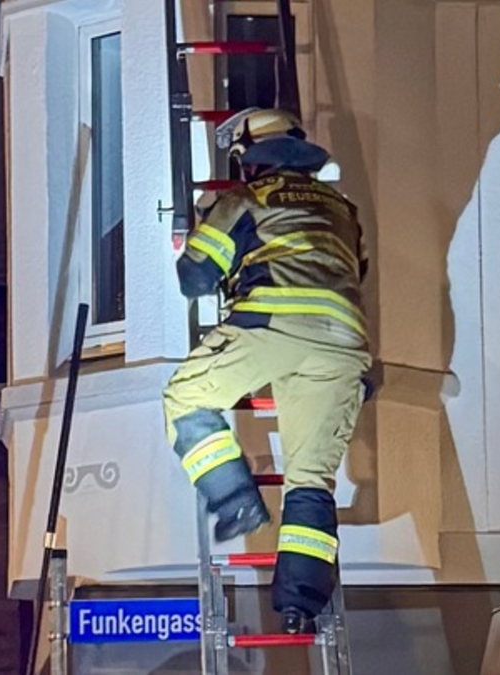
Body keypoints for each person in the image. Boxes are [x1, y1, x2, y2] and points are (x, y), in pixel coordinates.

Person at [161, 108, 372, 635]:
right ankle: (301, 605)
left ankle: (236, 503)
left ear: (247, 156)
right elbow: (354, 269)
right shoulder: (343, 208)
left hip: (273, 323)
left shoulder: (245, 200)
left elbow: (194, 279)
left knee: (186, 397)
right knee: (310, 479)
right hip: (345, 345)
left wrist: (194, 235)